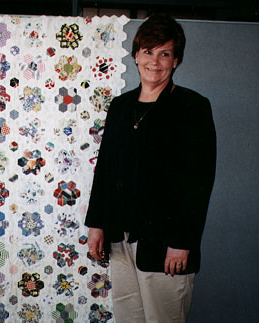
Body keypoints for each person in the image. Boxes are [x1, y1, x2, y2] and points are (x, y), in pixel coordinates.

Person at [85, 13, 216, 323]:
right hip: (120, 240)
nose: (154, 62)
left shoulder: (191, 107)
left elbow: (199, 181)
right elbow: (106, 170)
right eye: (148, 52)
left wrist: (182, 242)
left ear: (176, 60)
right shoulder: (120, 106)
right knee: (129, 318)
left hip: (165, 244)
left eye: (164, 53)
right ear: (136, 55)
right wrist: (97, 225)